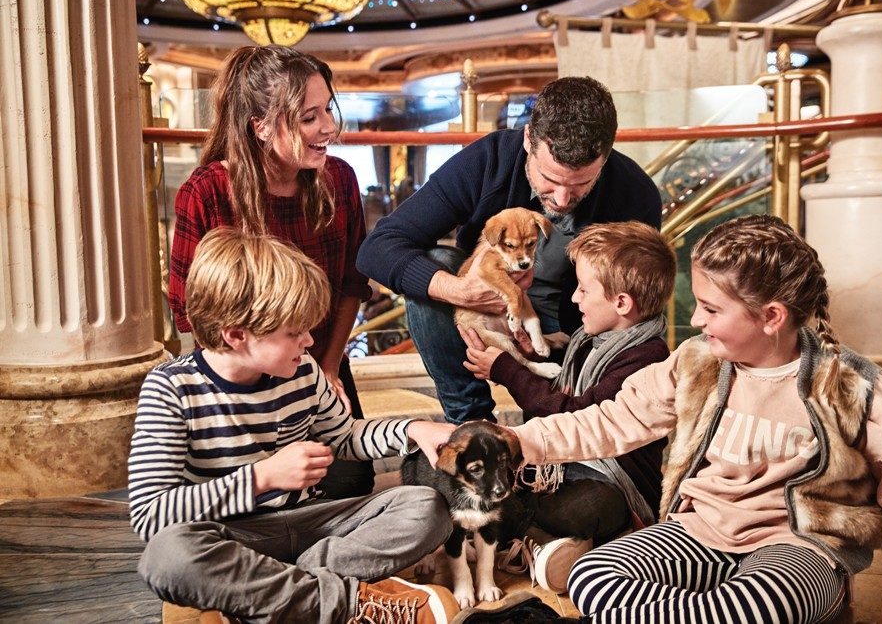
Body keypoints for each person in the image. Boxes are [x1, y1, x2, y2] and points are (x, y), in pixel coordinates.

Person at [503, 214, 882, 623]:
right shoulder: (696, 362)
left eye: (712, 309)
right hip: (699, 529)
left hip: (800, 548)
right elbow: (610, 421)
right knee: (591, 574)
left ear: (771, 317)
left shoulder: (852, 387)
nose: (696, 319)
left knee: (763, 602)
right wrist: (513, 441)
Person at [131, 228, 462, 623]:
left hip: (312, 524)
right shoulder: (170, 388)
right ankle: (351, 603)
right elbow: (150, 514)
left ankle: (265, 596)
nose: (308, 341)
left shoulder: (302, 371)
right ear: (237, 335)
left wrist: (412, 430)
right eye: (294, 332)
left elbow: (346, 437)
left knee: (427, 507)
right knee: (167, 557)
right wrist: (262, 478)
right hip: (231, 537)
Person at [356, 76, 662, 424]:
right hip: (484, 320)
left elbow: (636, 311)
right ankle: (472, 422)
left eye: (581, 184)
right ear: (528, 139)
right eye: (550, 179)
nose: (562, 199)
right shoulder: (488, 161)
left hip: (577, 328)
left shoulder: (635, 194)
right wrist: (458, 290)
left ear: (606, 156)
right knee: (434, 264)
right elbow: (378, 248)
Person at [168, 44, 375, 499]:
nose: (329, 127)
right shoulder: (206, 193)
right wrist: (248, 397)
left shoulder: (339, 179)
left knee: (350, 487)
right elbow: (192, 317)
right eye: (308, 117)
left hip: (320, 364)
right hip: (238, 379)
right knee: (252, 500)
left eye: (327, 110)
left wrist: (328, 370)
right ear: (259, 127)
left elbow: (351, 286)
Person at [459, 221, 676, 595]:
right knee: (487, 485)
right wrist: (527, 357)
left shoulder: (648, 357)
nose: (574, 298)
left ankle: (528, 538)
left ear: (621, 303)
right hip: (563, 470)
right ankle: (556, 546)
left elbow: (573, 413)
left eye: (583, 289)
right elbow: (559, 393)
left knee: (589, 505)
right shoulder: (590, 340)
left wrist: (508, 371)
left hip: (613, 480)